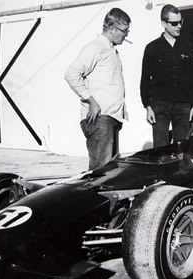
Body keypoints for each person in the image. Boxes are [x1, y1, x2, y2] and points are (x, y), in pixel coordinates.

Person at [65, 8, 131, 170]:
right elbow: (71, 74)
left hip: (111, 119)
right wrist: (91, 101)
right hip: (101, 119)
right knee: (100, 173)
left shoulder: (110, 50)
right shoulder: (95, 48)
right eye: (124, 30)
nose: (126, 35)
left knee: (110, 173)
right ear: (112, 29)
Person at [140, 4, 193, 148]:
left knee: (182, 147)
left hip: (183, 105)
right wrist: (148, 106)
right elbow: (144, 80)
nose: (179, 26)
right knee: (161, 148)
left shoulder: (187, 46)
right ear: (164, 24)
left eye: (181, 22)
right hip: (160, 106)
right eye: (174, 23)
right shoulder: (152, 48)